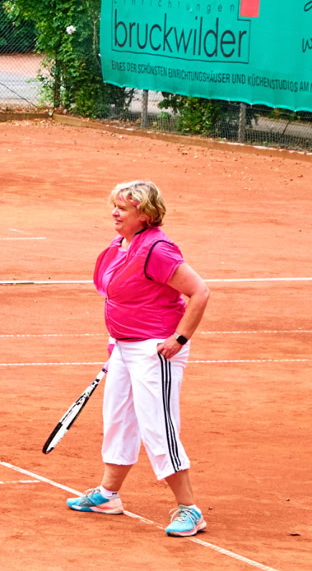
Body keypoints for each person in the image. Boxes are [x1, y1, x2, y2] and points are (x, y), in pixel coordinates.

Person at [63, 180, 214, 536]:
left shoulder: (158, 250)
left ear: (144, 215)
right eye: (114, 205)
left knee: (157, 426)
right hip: (125, 346)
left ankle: (189, 509)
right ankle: (107, 494)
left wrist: (178, 338)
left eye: (123, 208)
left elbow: (200, 292)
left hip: (154, 349)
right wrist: (118, 339)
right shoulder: (121, 245)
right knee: (118, 419)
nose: (115, 213)